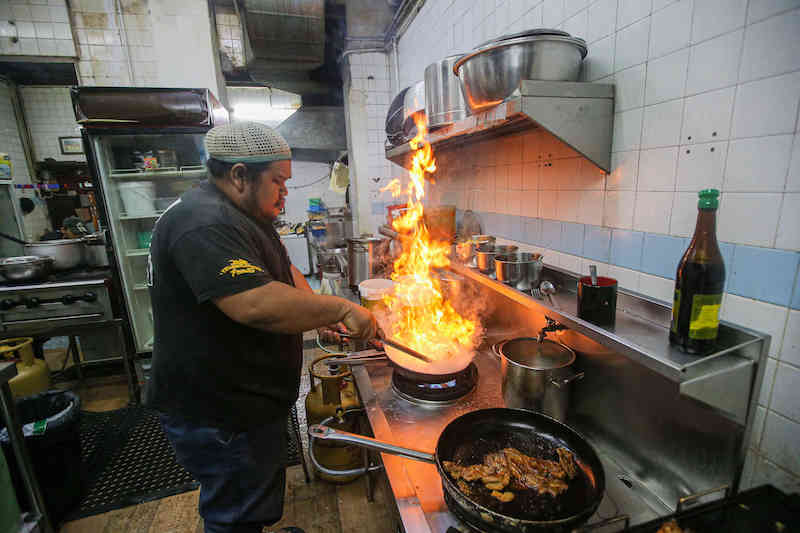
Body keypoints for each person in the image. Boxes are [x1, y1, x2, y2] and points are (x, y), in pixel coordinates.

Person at [144, 122, 377, 533]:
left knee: (252, 497)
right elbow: (253, 303)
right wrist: (340, 309)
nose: (285, 191)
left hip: (246, 401)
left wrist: (319, 318)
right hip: (220, 411)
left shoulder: (244, 214)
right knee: (233, 511)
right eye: (278, 181)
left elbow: (283, 271)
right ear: (239, 175)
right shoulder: (204, 222)